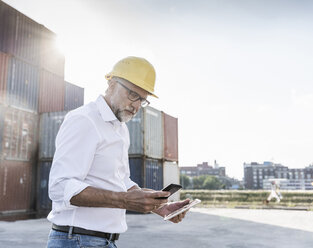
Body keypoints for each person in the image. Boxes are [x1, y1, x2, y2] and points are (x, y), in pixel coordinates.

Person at [46, 56, 190, 248]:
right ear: (111, 84)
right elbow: (59, 187)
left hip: (104, 241)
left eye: (142, 100)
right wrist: (124, 201)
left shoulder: (120, 128)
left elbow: (121, 181)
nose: (137, 105)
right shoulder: (84, 120)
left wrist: (161, 207)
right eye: (132, 94)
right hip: (77, 240)